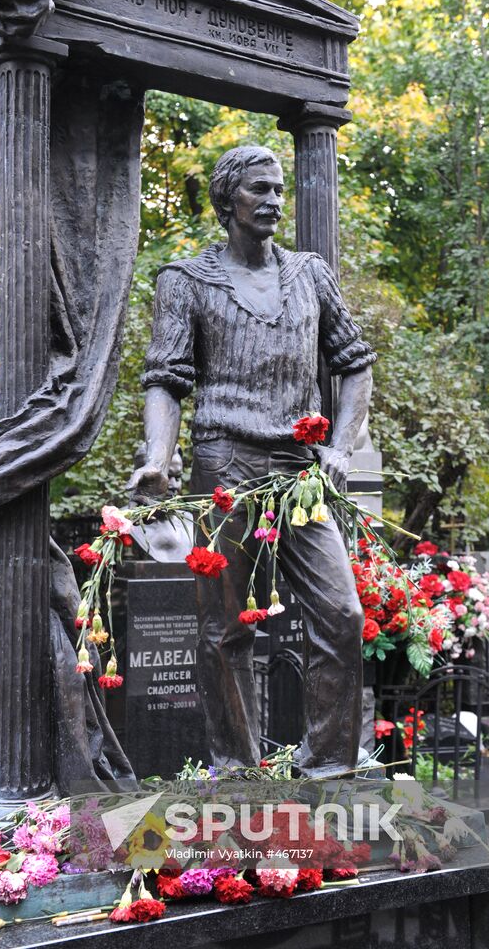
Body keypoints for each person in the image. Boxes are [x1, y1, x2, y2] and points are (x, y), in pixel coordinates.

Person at [128, 145, 376, 777]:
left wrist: (340, 447)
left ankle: (329, 773)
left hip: (300, 470)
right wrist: (159, 458)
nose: (272, 201)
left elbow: (355, 362)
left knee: (341, 615)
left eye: (278, 190)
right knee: (226, 629)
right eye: (258, 190)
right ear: (226, 201)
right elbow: (166, 378)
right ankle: (236, 773)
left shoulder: (310, 275)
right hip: (225, 465)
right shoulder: (185, 280)